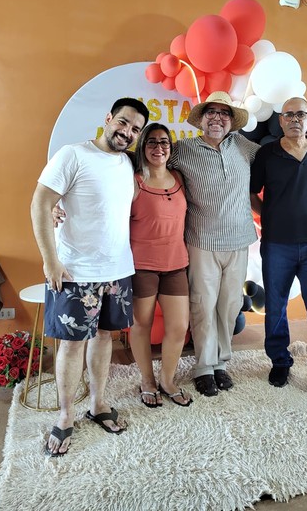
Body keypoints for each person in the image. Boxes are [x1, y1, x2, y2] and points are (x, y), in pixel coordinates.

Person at [30, 97, 149, 456]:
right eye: (123, 122)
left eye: (135, 129)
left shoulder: (128, 163)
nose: (127, 132)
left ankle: (98, 404)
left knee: (105, 337)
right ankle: (65, 416)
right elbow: (40, 203)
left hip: (117, 269)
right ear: (109, 118)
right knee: (71, 344)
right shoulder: (73, 155)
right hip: (75, 272)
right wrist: (50, 260)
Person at [250, 97, 307, 408]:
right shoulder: (267, 154)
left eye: (300, 114)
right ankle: (280, 362)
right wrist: (269, 216)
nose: (294, 119)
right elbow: (251, 193)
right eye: (288, 115)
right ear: (280, 120)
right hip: (276, 245)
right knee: (275, 308)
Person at [170, 92, 259, 396]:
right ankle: (203, 367)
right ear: (202, 119)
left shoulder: (243, 146)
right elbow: (148, 156)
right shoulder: (183, 149)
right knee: (203, 304)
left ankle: (220, 363)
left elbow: (278, 154)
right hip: (202, 240)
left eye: (224, 113)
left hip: (240, 239)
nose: (217, 118)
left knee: (230, 305)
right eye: (211, 112)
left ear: (232, 120)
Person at [130, 123, 192, 407]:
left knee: (178, 327)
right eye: (152, 142)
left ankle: (167, 380)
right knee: (141, 325)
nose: (159, 147)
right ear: (142, 146)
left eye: (164, 142)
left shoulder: (179, 177)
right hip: (142, 264)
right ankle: (147, 380)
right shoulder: (133, 181)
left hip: (176, 263)